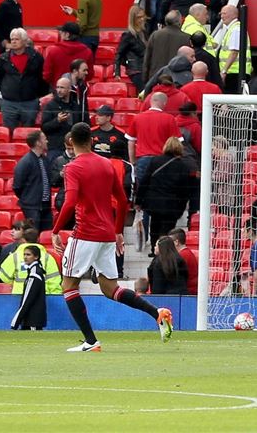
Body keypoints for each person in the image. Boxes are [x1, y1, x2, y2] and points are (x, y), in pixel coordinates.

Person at [56, 123, 175, 350]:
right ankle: (157, 313)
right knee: (110, 288)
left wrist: (55, 231)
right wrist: (118, 231)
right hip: (107, 235)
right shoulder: (107, 164)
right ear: (92, 140)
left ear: (71, 142)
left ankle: (91, 341)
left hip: (84, 233)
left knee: (69, 285)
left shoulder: (73, 167)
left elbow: (70, 202)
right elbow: (122, 201)